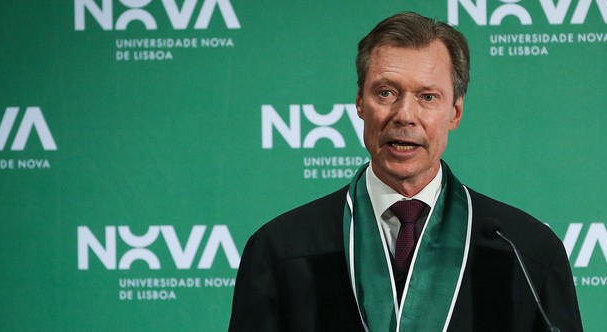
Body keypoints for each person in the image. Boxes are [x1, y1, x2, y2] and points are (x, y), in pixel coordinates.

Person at [229, 12, 582, 332]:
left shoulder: (526, 252)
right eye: (386, 93)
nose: (404, 115)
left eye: (428, 97)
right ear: (359, 103)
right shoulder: (282, 249)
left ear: (455, 112)